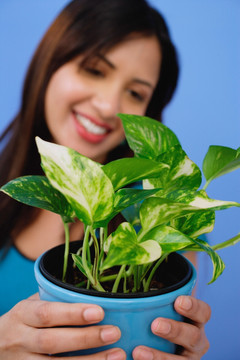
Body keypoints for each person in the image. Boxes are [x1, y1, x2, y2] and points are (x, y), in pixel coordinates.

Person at [0, 0, 211, 358]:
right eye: (95, 70)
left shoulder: (162, 209)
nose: (108, 105)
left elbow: (167, 332)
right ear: (50, 62)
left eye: (135, 93)